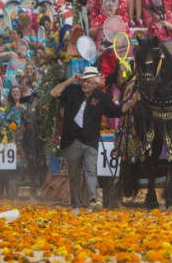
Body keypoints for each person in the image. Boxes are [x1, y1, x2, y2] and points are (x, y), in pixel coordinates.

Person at [50, 66, 139, 213]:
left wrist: (131, 102)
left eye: (89, 82)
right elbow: (54, 92)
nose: (85, 84)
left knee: (91, 171)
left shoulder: (101, 97)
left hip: (90, 140)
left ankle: (93, 201)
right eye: (84, 81)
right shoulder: (72, 90)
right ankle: (76, 205)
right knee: (74, 174)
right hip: (72, 140)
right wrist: (71, 80)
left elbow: (117, 111)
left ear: (96, 84)